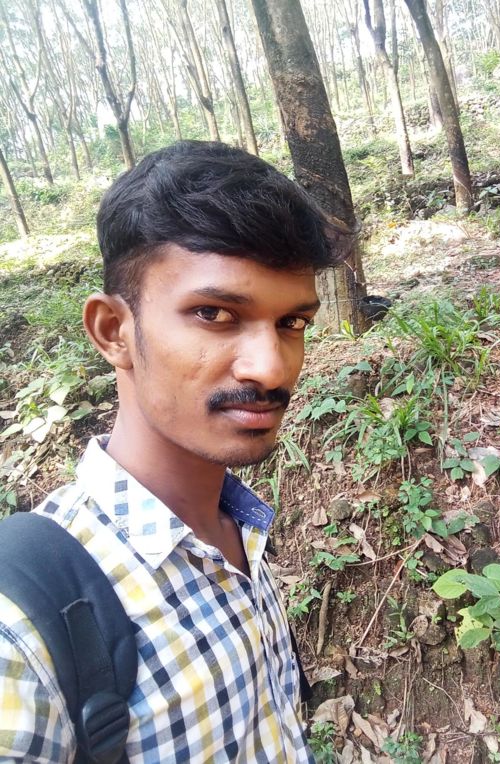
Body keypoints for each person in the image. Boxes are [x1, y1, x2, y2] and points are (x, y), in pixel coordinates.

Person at [0, 140, 344, 762]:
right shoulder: (20, 632)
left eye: (292, 323)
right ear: (114, 331)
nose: (271, 368)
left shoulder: (238, 529)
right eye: (214, 313)